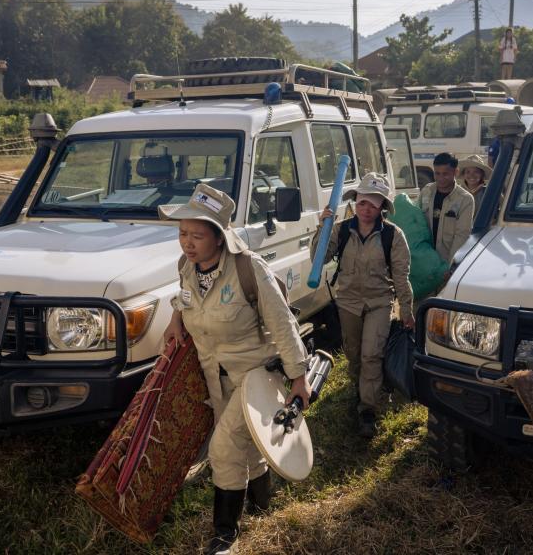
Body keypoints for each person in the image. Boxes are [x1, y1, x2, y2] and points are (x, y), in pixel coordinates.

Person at [160, 184, 309, 555]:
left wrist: (299, 377)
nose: (187, 243)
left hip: (255, 376)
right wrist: (176, 318)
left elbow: (283, 325)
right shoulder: (187, 267)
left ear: (219, 236)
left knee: (223, 449)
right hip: (215, 374)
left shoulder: (248, 269)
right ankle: (261, 503)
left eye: (197, 235)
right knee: (248, 443)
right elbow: (186, 294)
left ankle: (224, 533)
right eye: (182, 234)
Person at [313, 173, 414, 438]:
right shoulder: (342, 230)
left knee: (372, 354)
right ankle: (361, 389)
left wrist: (406, 309)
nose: (366, 209)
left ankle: (368, 409)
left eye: (373, 204)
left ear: (382, 206)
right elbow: (318, 257)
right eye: (362, 203)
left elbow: (401, 276)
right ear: (354, 202)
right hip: (348, 302)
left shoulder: (393, 235)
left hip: (380, 302)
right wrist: (321, 228)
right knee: (355, 354)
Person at [420, 153, 475, 265]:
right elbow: (417, 223)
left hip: (446, 262)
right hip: (424, 260)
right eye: (437, 173)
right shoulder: (426, 191)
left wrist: (450, 266)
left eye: (445, 174)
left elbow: (462, 236)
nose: (440, 178)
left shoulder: (465, 200)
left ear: (456, 172)